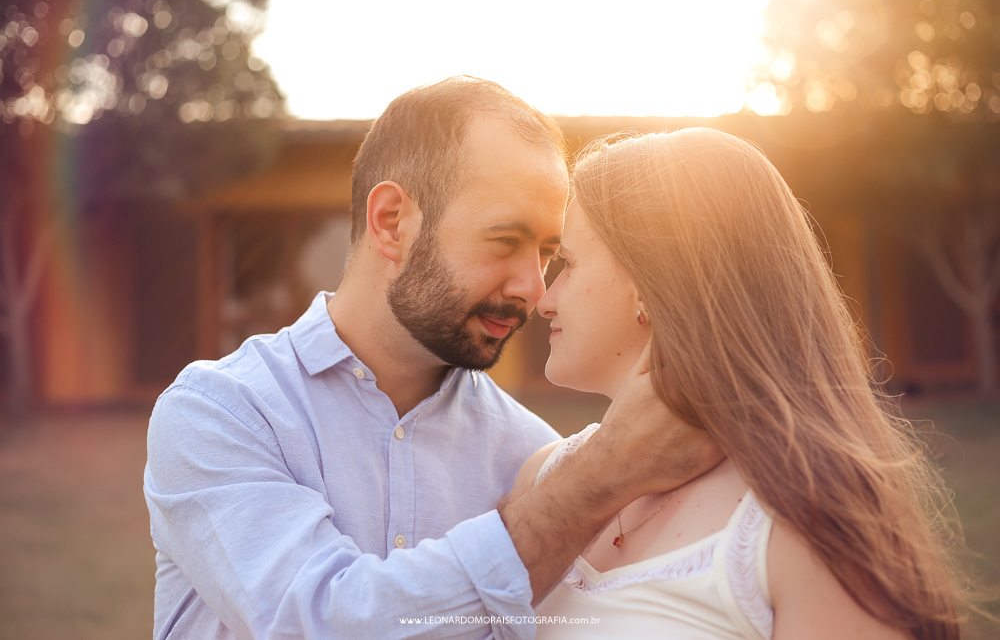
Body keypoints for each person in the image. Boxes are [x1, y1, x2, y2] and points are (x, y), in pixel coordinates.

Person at [143, 78, 720, 639]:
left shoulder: (528, 455)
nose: (534, 289)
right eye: (504, 241)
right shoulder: (219, 413)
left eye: (547, 253)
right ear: (392, 222)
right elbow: (316, 623)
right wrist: (593, 482)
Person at [514, 128, 968, 640]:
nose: (542, 300)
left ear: (650, 278)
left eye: (567, 265)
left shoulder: (808, 523)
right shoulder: (539, 479)